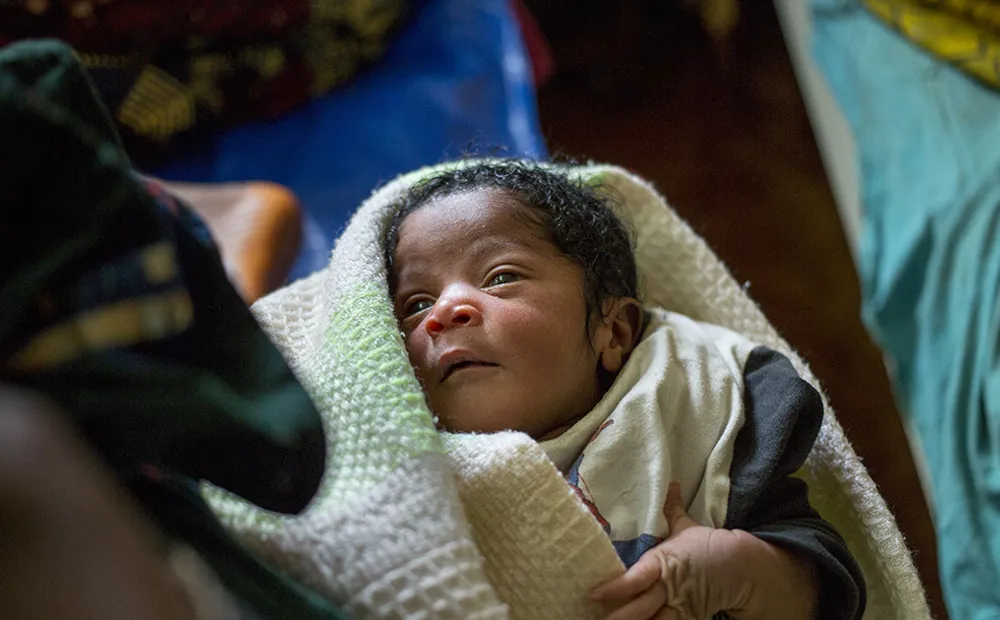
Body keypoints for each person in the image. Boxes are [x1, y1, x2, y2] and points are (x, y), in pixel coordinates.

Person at [384, 159, 867, 620]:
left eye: (500, 277)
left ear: (613, 334)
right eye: (415, 304)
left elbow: (821, 593)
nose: (444, 311)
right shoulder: (399, 485)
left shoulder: (685, 411)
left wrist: (738, 571)